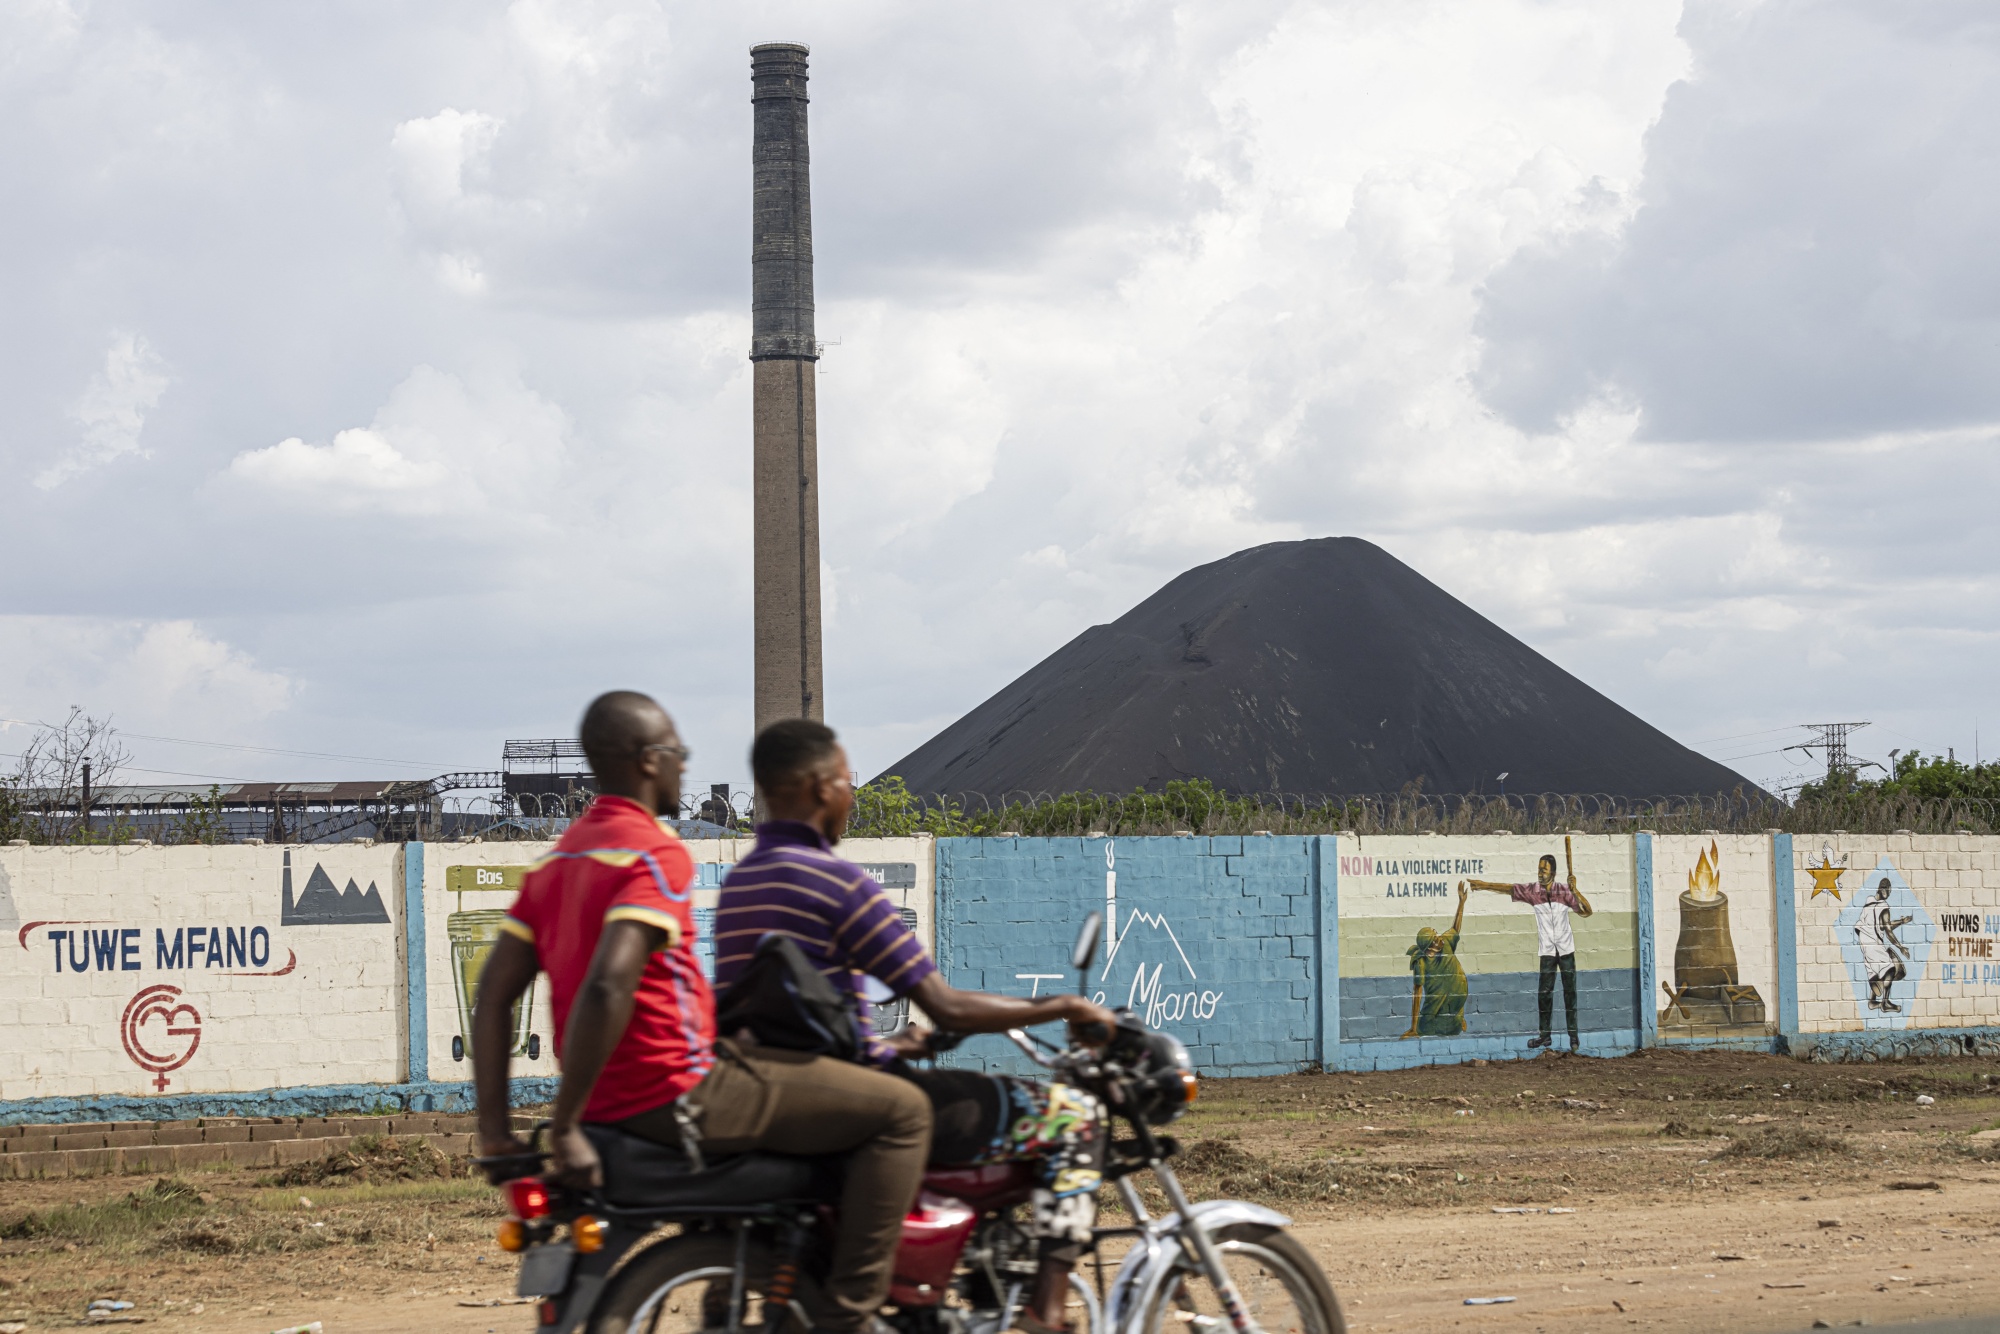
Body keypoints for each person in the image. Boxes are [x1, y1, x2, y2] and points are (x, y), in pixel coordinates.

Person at [472, 692, 930, 1334]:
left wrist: (496, 1132)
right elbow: (609, 984)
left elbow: (493, 996)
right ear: (647, 760)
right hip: (681, 1089)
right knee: (904, 1111)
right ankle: (848, 1314)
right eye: (678, 753)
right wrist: (565, 1124)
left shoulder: (558, 862)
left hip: (613, 1099)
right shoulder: (651, 851)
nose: (685, 766)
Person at [716, 719, 1118, 1334]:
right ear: (821, 788)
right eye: (847, 782)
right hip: (855, 1097)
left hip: (785, 1089)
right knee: (1075, 1117)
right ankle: (1047, 1312)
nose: (852, 796)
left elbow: (787, 1012)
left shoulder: (742, 883)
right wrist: (1065, 1006)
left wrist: (884, 1043)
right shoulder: (836, 882)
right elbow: (946, 1006)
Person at [1463, 838, 1594, 1051]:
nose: (1540, 873)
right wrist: (1484, 885)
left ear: (1553, 872)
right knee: (1544, 994)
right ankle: (1545, 1036)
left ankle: (1573, 1037)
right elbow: (1509, 888)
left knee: (1570, 994)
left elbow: (1587, 911)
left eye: (1544, 869)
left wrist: (1575, 890)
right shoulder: (1533, 892)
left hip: (1566, 950)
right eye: (1539, 869)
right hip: (1547, 951)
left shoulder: (1564, 892)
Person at [1402, 885, 1471, 1038]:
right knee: (1425, 1028)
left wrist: (1461, 902)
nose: (1440, 939)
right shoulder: (1421, 963)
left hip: (1455, 1004)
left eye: (1437, 934)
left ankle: (1458, 1019)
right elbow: (1417, 993)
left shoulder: (1445, 943)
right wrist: (1413, 1027)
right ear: (1429, 948)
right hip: (1435, 1004)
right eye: (1435, 939)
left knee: (1454, 1029)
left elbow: (1455, 929)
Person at [1854, 879, 1913, 1012]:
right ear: (1882, 888)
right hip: (1873, 943)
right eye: (1888, 891)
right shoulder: (1883, 907)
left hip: (1864, 944)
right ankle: (1885, 1003)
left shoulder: (1869, 903)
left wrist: (1901, 921)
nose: (1889, 894)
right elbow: (1888, 931)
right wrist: (1901, 947)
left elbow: (1882, 925)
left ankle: (1872, 1001)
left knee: (1877, 971)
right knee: (1890, 969)